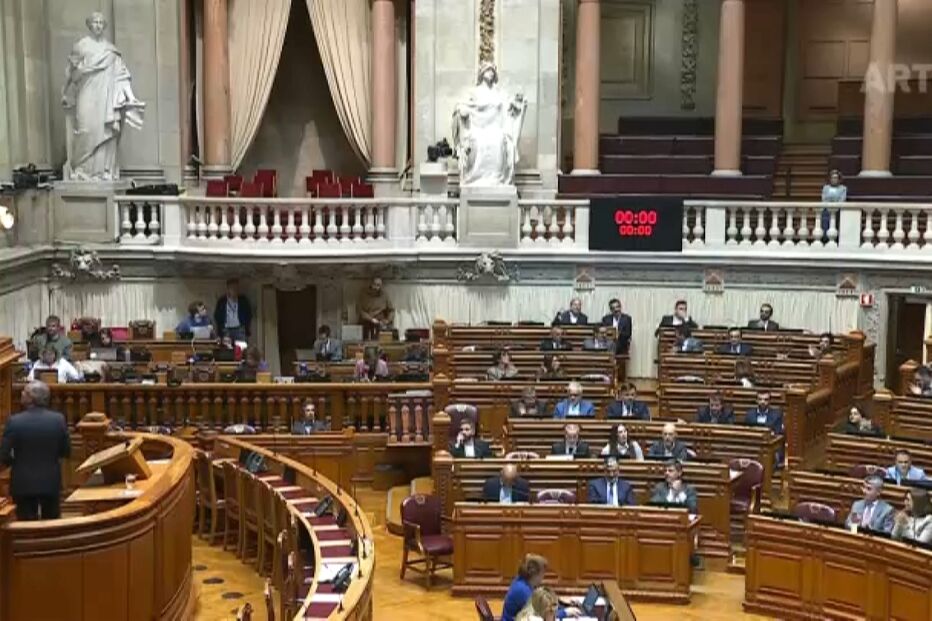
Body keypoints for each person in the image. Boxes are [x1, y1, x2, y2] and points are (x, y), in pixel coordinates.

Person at [0, 381, 71, 520]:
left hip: (22, 483)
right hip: (51, 482)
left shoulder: (14, 421)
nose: (21, 394)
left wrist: (16, 462)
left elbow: (3, 455)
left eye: (25, 392)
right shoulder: (58, 420)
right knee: (52, 527)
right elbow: (66, 451)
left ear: (31, 398)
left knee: (26, 529)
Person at [501, 555, 577, 621]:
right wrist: (565, 612)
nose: (543, 577)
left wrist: (562, 604)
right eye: (543, 573)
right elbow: (542, 616)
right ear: (535, 574)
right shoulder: (522, 590)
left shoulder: (522, 581)